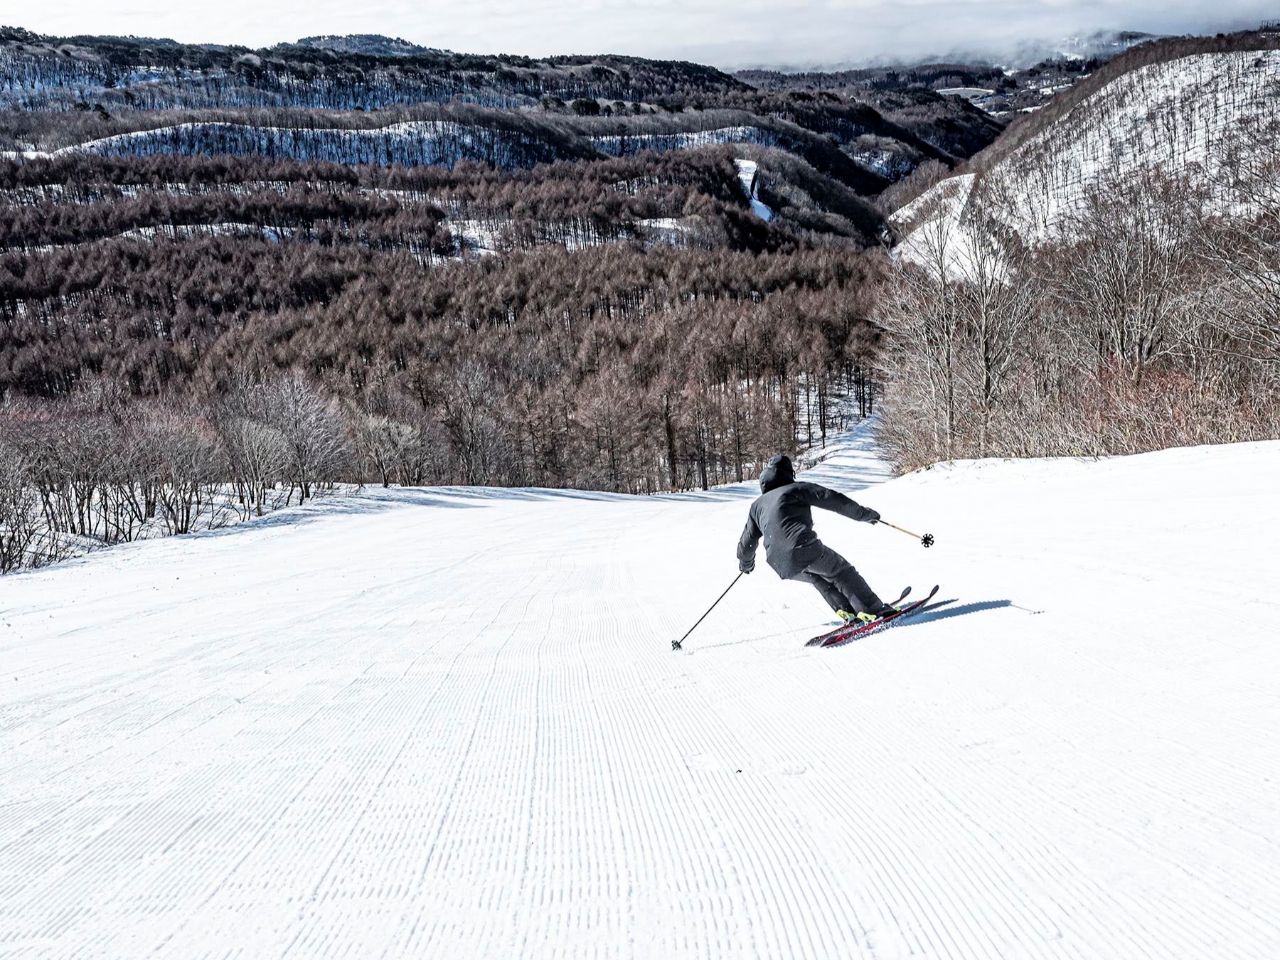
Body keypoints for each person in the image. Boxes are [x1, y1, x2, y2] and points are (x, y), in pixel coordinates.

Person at [736, 454, 895, 622]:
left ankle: (847, 611)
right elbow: (832, 499)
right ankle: (873, 610)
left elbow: (747, 542)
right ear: (789, 473)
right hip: (803, 547)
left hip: (778, 562)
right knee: (841, 572)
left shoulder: (757, 506)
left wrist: (746, 564)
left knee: (818, 577)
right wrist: (865, 515)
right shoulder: (796, 489)